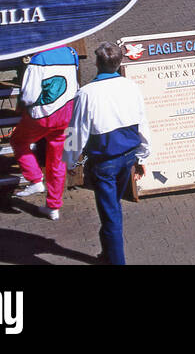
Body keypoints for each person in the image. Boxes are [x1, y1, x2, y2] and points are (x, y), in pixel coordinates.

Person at [63, 43, 151, 266]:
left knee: (111, 214)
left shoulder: (86, 93)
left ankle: (115, 260)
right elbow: (143, 123)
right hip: (128, 157)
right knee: (112, 207)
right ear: (119, 63)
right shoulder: (131, 86)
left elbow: (76, 131)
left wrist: (71, 161)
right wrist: (142, 156)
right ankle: (107, 254)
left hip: (104, 162)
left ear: (97, 63)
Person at [10, 45, 79, 220]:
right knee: (57, 161)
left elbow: (29, 96)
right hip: (66, 115)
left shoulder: (39, 59)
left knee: (18, 141)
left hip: (42, 116)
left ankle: (35, 179)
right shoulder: (72, 52)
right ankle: (53, 207)